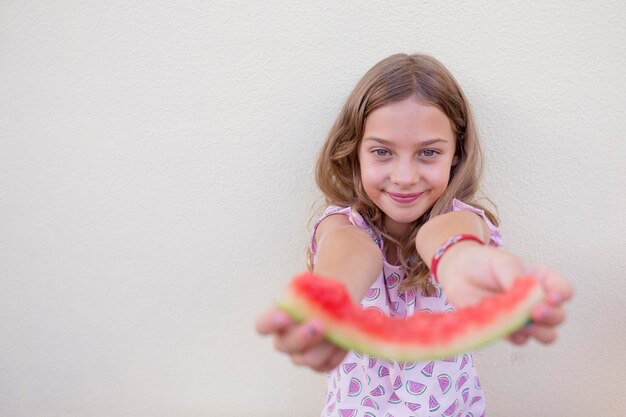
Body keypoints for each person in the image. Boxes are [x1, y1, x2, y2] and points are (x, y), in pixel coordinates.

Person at [256, 53, 573, 416]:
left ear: (456, 154)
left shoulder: (465, 222)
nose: (405, 176)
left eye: (427, 153)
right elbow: (349, 251)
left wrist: (457, 259)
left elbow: (443, 236)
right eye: (381, 152)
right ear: (354, 150)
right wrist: (329, 298)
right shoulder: (342, 225)